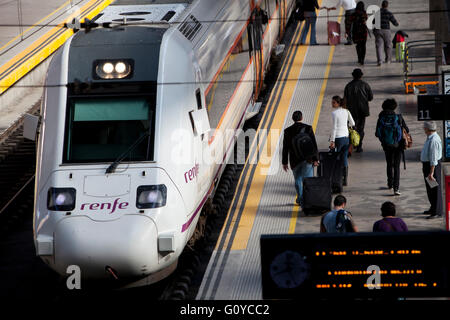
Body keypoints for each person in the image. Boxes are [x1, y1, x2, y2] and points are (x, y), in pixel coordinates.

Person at [282, 110, 319, 206]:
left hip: (294, 160)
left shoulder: (287, 131)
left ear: (292, 119)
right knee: (308, 180)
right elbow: (313, 145)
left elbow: (285, 148)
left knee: (298, 179)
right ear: (302, 118)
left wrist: (284, 162)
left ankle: (300, 198)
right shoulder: (308, 128)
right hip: (308, 159)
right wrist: (316, 159)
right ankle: (308, 199)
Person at [375, 99, 409, 195]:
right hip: (398, 145)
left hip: (386, 145)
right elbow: (407, 129)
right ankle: (396, 188)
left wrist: (384, 140)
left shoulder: (381, 118)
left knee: (389, 164)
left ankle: (390, 183)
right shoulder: (398, 117)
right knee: (396, 166)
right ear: (394, 107)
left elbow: (377, 133)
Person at [343, 68, 373, 153]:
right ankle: (359, 146)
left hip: (351, 111)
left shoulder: (348, 86)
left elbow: (345, 99)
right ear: (361, 76)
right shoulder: (365, 85)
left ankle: (352, 144)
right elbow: (370, 98)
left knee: (352, 128)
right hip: (363, 111)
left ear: (352, 76)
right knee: (361, 128)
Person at [329, 96, 355, 186]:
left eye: (333, 103)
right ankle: (345, 179)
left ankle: (337, 178)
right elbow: (353, 123)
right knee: (344, 158)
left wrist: (332, 141)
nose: (332, 104)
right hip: (346, 138)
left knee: (335, 158)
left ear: (338, 103)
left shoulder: (334, 113)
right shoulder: (346, 111)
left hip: (338, 138)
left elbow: (334, 128)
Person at [420, 121, 443, 219]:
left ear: (427, 129)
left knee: (435, 189)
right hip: (428, 166)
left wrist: (431, 172)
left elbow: (433, 158)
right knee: (430, 189)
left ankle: (437, 211)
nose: (423, 129)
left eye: (424, 127)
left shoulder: (434, 140)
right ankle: (433, 207)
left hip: (432, 167)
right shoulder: (431, 137)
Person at [372, 0, 399, 66]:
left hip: (378, 31)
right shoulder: (389, 13)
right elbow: (395, 23)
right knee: (388, 46)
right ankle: (388, 60)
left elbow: (373, 22)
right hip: (386, 30)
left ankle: (380, 61)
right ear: (387, 6)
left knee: (379, 46)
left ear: (382, 5)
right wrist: (396, 23)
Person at [348, 1, 368, 65]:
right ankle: (363, 59)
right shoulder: (364, 13)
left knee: (358, 46)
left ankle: (359, 58)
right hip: (363, 32)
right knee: (363, 46)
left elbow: (350, 22)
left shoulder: (354, 14)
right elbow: (366, 19)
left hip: (356, 32)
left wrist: (347, 32)